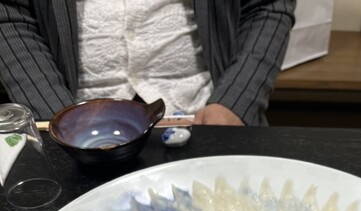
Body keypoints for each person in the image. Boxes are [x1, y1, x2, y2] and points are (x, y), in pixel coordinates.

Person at [0, 0, 295, 126]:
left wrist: (235, 102)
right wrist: (60, 119)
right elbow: (8, 13)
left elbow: (267, 5)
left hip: (208, 113)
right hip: (68, 114)